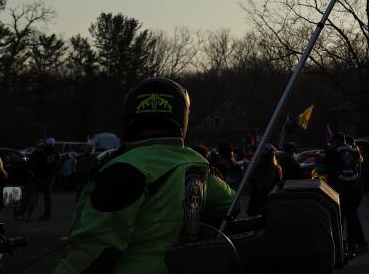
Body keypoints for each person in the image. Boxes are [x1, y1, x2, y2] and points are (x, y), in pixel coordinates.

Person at [55, 76, 237, 274]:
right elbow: (229, 204)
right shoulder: (195, 163)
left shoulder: (125, 168)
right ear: (181, 117)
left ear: (130, 116)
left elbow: (92, 250)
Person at [325, 132, 368, 256]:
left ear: (335, 141)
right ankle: (354, 244)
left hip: (338, 189)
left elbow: (326, 165)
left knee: (338, 219)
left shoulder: (333, 151)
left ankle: (340, 246)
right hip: (353, 189)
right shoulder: (354, 151)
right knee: (353, 218)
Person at [246, 144, 283, 216]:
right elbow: (278, 185)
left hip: (256, 202)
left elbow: (250, 184)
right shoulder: (277, 169)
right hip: (269, 201)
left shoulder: (255, 167)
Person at [29, 137, 61, 220]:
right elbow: (59, 165)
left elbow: (32, 157)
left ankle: (24, 207)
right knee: (47, 195)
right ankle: (47, 213)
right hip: (50, 177)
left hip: (40, 175)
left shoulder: (42, 151)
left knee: (30, 189)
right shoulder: (56, 153)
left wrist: (37, 148)